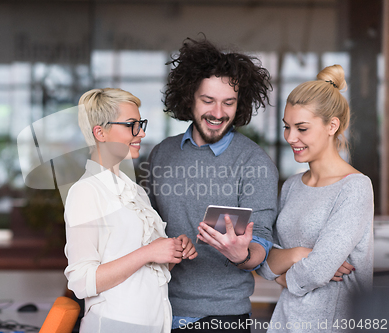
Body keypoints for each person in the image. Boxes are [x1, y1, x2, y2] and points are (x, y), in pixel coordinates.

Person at [144, 38, 278, 332]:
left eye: (228, 103)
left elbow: (262, 242)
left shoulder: (254, 163)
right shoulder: (161, 155)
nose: (218, 113)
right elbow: (146, 228)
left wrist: (241, 254)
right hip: (155, 310)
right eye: (208, 101)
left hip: (222, 319)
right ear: (188, 97)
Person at [64, 88, 198, 333]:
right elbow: (81, 281)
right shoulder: (85, 192)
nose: (141, 133)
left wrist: (172, 253)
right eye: (131, 125)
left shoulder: (135, 192)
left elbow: (149, 270)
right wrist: (148, 252)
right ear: (100, 132)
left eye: (140, 124)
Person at [257, 64, 374, 332]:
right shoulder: (291, 186)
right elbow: (264, 262)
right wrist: (301, 254)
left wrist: (286, 274)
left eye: (302, 128)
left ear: (332, 125)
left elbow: (318, 270)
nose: (290, 137)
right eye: (287, 127)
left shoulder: (355, 187)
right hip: (285, 323)